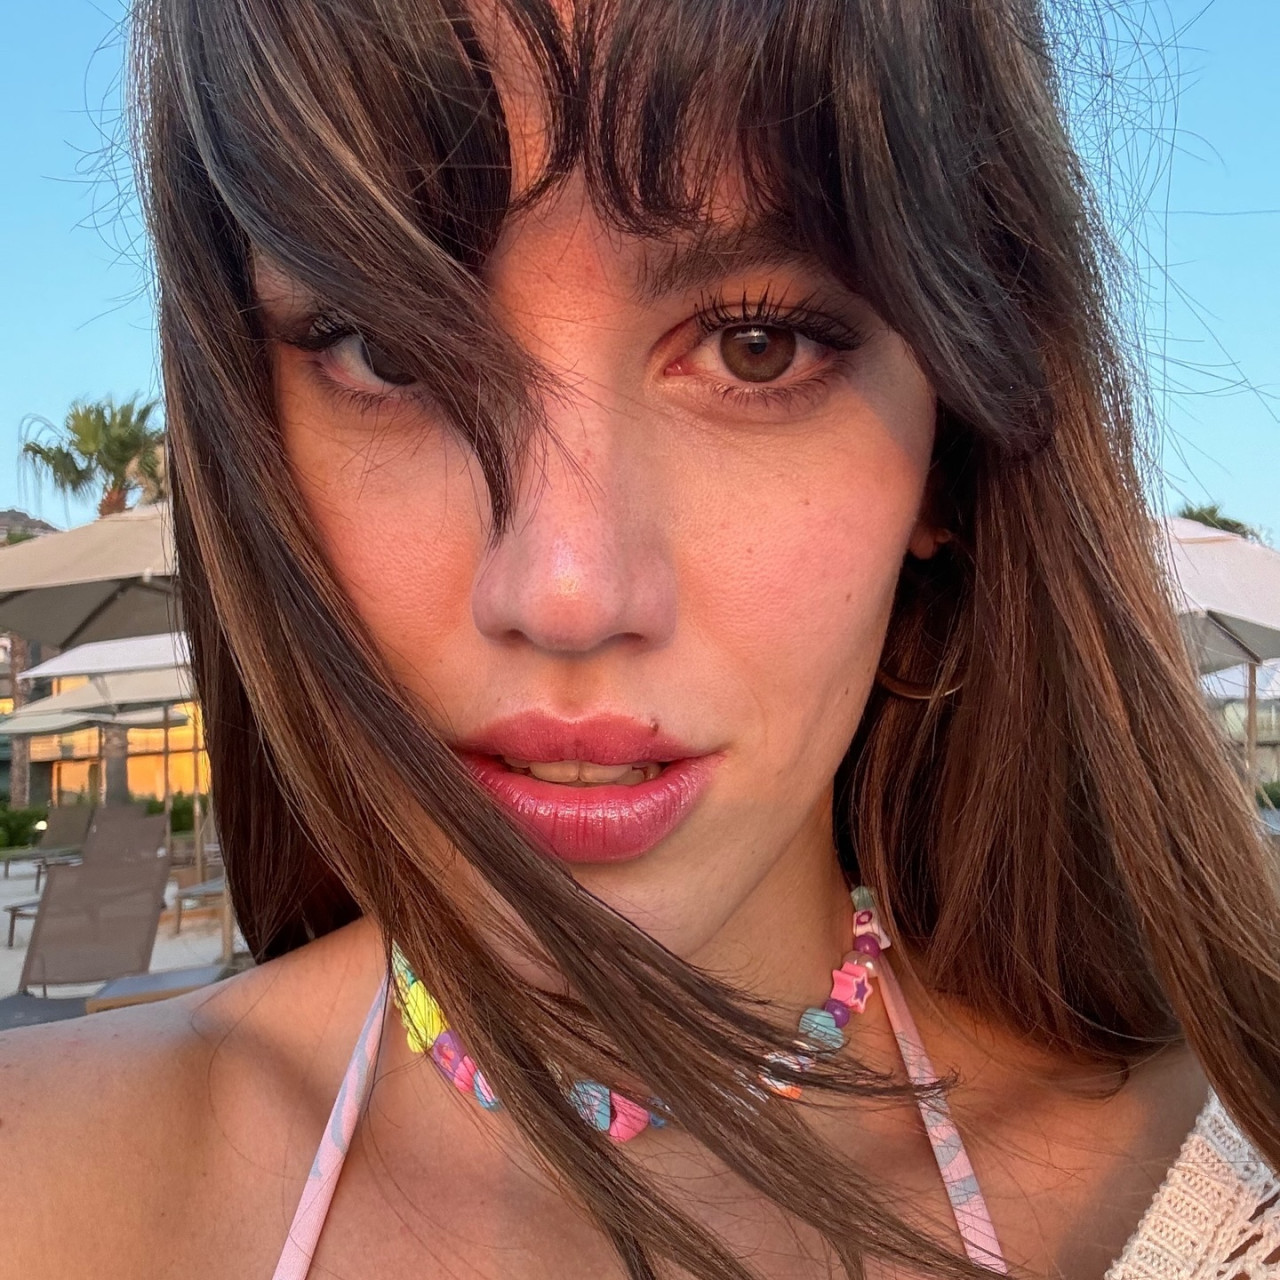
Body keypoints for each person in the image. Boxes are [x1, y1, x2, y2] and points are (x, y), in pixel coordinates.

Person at [2, 0, 1278, 1276]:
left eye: (755, 346)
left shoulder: (1227, 1194)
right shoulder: (42, 1179)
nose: (565, 590)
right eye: (387, 348)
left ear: (949, 444)